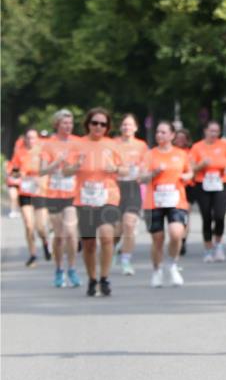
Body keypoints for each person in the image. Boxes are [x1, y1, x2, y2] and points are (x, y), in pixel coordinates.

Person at [64, 107, 123, 297]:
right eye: (95, 123)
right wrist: (75, 166)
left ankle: (104, 277)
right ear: (88, 124)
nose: (98, 127)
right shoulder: (77, 145)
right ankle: (92, 278)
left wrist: (114, 168)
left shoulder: (112, 145)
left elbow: (126, 170)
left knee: (107, 235)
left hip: (108, 195)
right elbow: (65, 171)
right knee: (89, 243)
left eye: (103, 124)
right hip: (84, 198)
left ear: (107, 127)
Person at [140, 120, 192, 287]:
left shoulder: (181, 154)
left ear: (172, 135)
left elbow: (189, 171)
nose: (159, 135)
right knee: (158, 239)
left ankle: (173, 264)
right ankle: (157, 270)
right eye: (157, 132)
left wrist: (187, 176)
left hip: (176, 200)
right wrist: (154, 173)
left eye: (163, 132)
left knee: (176, 234)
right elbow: (141, 178)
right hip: (154, 201)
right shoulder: (150, 154)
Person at [40, 109, 81, 288]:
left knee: (71, 234)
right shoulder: (48, 145)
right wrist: (58, 162)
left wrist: (74, 166)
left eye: (70, 123)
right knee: (59, 237)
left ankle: (71, 268)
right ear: (57, 124)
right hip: (54, 194)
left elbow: (81, 167)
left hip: (72, 194)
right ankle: (58, 269)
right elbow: (42, 170)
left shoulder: (78, 143)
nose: (68, 126)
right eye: (64, 123)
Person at [190, 120, 226, 261]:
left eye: (216, 131)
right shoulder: (197, 147)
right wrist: (201, 165)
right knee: (206, 217)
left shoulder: (224, 145)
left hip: (220, 183)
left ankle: (219, 245)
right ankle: (208, 249)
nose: (214, 133)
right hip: (202, 184)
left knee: (220, 216)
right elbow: (191, 168)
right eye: (211, 130)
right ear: (205, 131)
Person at [114, 114, 148, 275]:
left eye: (130, 125)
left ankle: (126, 260)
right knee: (116, 229)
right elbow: (109, 165)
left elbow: (145, 166)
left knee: (129, 224)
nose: (127, 127)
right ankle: (113, 249)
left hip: (133, 187)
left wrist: (142, 173)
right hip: (116, 187)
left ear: (135, 128)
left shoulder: (141, 146)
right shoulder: (113, 144)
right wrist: (120, 169)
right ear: (121, 128)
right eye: (124, 125)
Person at [12, 128, 51, 266]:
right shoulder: (20, 153)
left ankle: (45, 242)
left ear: (37, 139)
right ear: (25, 139)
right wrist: (19, 175)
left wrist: (40, 178)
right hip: (25, 192)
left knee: (40, 227)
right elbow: (14, 171)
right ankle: (33, 254)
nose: (31, 141)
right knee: (29, 225)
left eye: (33, 138)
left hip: (39, 192)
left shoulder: (42, 152)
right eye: (28, 138)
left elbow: (46, 170)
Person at [173, 128, 194, 255]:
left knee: (185, 214)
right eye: (178, 137)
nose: (180, 140)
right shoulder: (171, 151)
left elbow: (193, 168)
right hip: (173, 187)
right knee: (175, 215)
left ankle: (183, 239)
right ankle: (176, 237)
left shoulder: (190, 152)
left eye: (183, 138)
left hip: (188, 187)